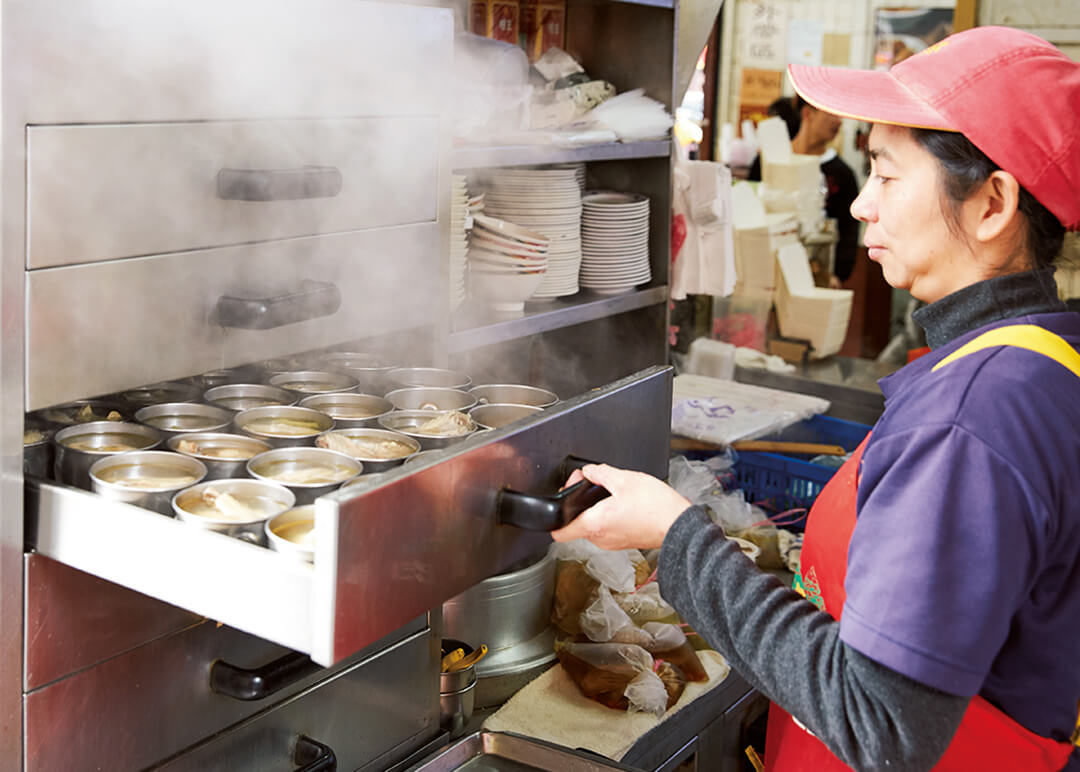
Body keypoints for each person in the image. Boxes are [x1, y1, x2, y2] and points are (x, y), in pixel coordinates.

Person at [552, 26, 1080, 772]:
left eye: (890, 177)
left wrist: (676, 535)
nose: (862, 205)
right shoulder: (1043, 363)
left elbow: (881, 726)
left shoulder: (974, 416)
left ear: (993, 204)